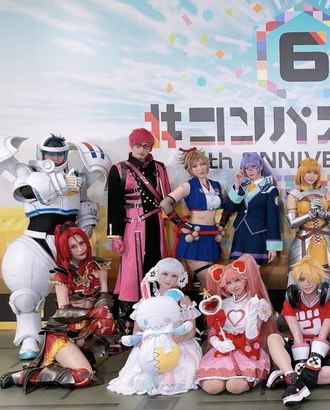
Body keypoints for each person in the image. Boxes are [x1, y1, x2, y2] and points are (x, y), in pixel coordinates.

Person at [0, 134, 110, 359]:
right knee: (25, 296)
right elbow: (25, 191)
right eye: (50, 154)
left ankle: (78, 336)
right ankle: (29, 338)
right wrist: (59, 184)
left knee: (81, 294)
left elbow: (84, 204)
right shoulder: (28, 172)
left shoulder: (77, 177)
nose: (55, 159)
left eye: (60, 155)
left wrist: (87, 224)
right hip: (37, 241)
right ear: (41, 154)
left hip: (70, 244)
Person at [0, 223, 115, 392]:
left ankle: (78, 357)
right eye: (73, 247)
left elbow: (104, 296)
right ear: (65, 250)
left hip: (86, 331)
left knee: (108, 325)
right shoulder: (62, 274)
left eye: (82, 243)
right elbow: (63, 311)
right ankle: (23, 376)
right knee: (84, 377)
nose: (80, 249)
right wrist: (92, 313)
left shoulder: (99, 266)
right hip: (64, 334)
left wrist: (104, 312)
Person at [107, 128, 171, 341]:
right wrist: (116, 235)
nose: (142, 150)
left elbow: (166, 198)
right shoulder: (119, 169)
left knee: (155, 265)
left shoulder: (159, 168)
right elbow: (114, 205)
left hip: (155, 223)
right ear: (131, 146)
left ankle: (158, 316)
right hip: (131, 226)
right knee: (131, 273)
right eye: (138, 145)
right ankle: (127, 323)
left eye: (146, 146)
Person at [107, 258, 202, 395]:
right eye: (165, 274)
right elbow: (138, 328)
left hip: (176, 341)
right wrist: (140, 340)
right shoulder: (147, 299)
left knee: (181, 369)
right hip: (150, 342)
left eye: (173, 275)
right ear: (157, 274)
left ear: (179, 278)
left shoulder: (183, 299)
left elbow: (191, 329)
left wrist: (181, 338)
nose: (168, 279)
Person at [266, 256, 330, 406]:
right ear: (296, 281)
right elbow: (297, 336)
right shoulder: (290, 302)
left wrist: (313, 362)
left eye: (311, 278)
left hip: (318, 354)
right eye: (302, 279)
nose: (307, 283)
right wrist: (300, 363)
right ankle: (292, 375)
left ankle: (290, 378)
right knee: (273, 338)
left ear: (318, 278)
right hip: (295, 351)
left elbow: (322, 336)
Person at [196, 254, 278, 394]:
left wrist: (252, 314)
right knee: (212, 388)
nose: (233, 286)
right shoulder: (222, 304)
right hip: (223, 352)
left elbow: (252, 336)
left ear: (245, 280)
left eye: (237, 280)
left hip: (248, 351)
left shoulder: (258, 303)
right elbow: (214, 332)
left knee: (234, 387)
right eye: (228, 283)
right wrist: (218, 344)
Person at [160, 148, 224, 288]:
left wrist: (223, 223)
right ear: (189, 169)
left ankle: (203, 300)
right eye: (194, 166)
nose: (200, 168)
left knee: (209, 284)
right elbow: (165, 204)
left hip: (211, 237)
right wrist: (181, 225)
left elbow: (229, 207)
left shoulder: (217, 186)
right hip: (195, 236)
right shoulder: (188, 186)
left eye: (202, 164)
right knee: (210, 282)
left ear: (207, 164)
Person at [285, 158, 330, 298]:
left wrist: (324, 214)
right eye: (308, 172)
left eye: (315, 173)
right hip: (304, 241)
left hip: (326, 240)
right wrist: (309, 215)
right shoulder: (293, 194)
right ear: (301, 173)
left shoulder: (324, 192)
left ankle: (327, 304)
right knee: (302, 275)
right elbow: (292, 223)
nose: (312, 176)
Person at [224, 152, 282, 265]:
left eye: (253, 166)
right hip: (240, 235)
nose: (250, 170)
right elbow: (230, 208)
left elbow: (272, 219)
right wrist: (237, 185)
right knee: (239, 270)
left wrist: (272, 247)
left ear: (261, 166)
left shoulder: (270, 189)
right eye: (247, 168)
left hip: (258, 236)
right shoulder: (242, 187)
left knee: (253, 270)